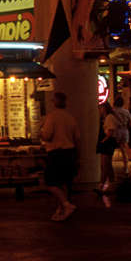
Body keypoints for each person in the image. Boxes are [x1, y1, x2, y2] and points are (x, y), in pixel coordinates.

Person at [40, 91, 80, 221]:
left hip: (56, 153)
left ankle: (66, 205)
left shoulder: (52, 117)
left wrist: (40, 132)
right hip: (70, 152)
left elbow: (47, 136)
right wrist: (78, 157)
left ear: (55, 102)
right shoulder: (70, 118)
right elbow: (77, 139)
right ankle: (61, 210)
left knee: (50, 182)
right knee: (65, 182)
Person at [97, 101, 119, 199]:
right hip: (108, 142)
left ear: (104, 108)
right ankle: (112, 184)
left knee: (105, 164)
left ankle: (101, 185)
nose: (99, 111)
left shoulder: (109, 118)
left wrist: (103, 141)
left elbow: (110, 131)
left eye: (100, 108)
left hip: (107, 143)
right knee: (107, 164)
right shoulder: (108, 118)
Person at [113, 96, 131, 175]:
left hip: (116, 131)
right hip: (124, 131)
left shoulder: (113, 111)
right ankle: (126, 168)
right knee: (124, 150)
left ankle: (110, 169)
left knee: (111, 150)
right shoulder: (126, 112)